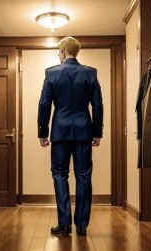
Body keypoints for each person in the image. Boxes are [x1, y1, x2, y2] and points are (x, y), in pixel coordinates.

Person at [37, 36, 103, 236]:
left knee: (59, 174)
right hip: (84, 131)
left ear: (64, 51)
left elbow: (44, 104)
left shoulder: (51, 74)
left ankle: (64, 224)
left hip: (60, 132)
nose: (59, 55)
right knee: (83, 176)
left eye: (59, 52)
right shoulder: (90, 74)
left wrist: (42, 131)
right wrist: (97, 132)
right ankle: (82, 225)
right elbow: (98, 105)